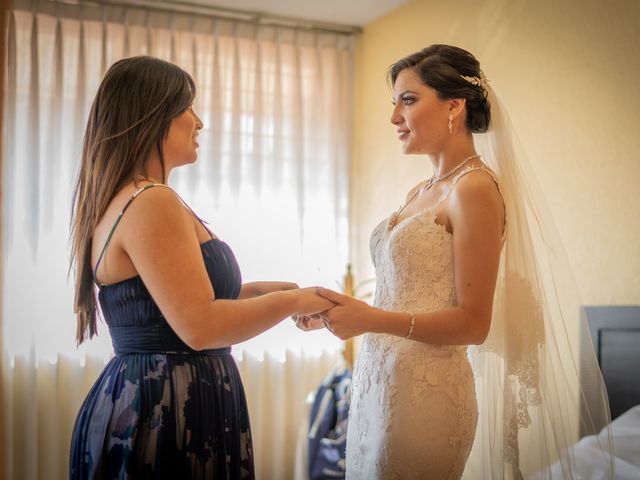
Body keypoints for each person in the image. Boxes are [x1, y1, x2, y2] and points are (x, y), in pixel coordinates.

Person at [309, 45, 613, 479]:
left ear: (454, 105)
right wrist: (337, 307)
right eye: (394, 102)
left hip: (426, 397)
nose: (394, 116)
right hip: (380, 383)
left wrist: (370, 319)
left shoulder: (474, 190)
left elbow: (473, 324)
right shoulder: (419, 191)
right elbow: (399, 292)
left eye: (408, 100)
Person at [68, 55, 333, 479]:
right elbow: (200, 325)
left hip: (153, 396)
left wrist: (267, 293)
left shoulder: (125, 199)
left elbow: (173, 305)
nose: (199, 121)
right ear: (153, 117)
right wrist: (294, 300)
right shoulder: (151, 201)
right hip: (168, 407)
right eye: (187, 108)